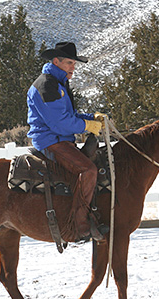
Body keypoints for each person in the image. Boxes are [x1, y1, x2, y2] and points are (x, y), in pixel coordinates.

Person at [27, 42, 108, 241]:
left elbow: (68, 115)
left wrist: (91, 118)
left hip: (59, 138)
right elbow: (59, 123)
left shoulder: (58, 82)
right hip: (51, 140)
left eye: (74, 63)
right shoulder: (48, 85)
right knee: (88, 170)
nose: (73, 67)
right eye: (69, 63)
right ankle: (80, 225)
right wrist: (87, 126)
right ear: (56, 61)